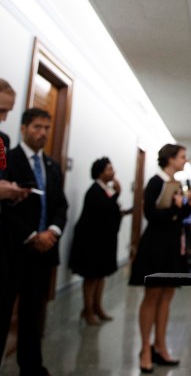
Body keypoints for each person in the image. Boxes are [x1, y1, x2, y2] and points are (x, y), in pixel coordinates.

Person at [1, 107, 69, 376]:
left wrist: (52, 231)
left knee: (34, 313)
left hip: (45, 251)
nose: (42, 133)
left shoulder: (51, 166)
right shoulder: (10, 160)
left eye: (46, 128)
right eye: (37, 127)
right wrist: (30, 236)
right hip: (14, 249)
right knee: (5, 310)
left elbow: (60, 205)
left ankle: (31, 366)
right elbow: (6, 209)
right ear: (24, 128)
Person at [128, 144, 191, 373]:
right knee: (153, 294)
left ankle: (161, 345)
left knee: (167, 294)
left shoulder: (177, 183)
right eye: (183, 157)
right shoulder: (156, 181)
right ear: (171, 158)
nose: (186, 161)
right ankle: (145, 348)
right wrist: (175, 210)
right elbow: (151, 215)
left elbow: (179, 216)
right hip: (156, 243)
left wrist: (186, 207)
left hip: (172, 243)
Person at [69, 157, 127, 325]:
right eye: (109, 169)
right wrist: (117, 194)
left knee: (101, 275)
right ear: (100, 172)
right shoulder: (94, 190)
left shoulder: (104, 190)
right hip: (91, 242)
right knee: (91, 276)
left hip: (103, 241)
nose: (113, 172)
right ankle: (87, 310)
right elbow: (104, 210)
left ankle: (97, 307)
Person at [0, 79, 30, 368]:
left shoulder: (2, 142)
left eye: (7, 112)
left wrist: (9, 190)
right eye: (0, 110)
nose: (4, 118)